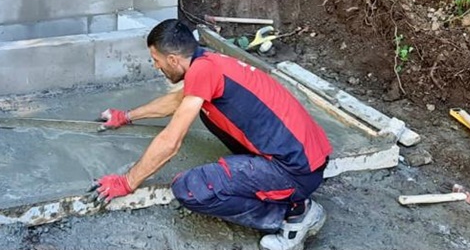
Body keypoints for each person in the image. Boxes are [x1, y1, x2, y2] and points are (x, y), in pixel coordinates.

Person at [93, 19, 332, 250]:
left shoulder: (203, 71)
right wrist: (126, 115)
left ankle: (295, 216)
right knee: (208, 114)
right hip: (305, 159)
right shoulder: (209, 62)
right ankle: (289, 200)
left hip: (294, 171)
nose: (156, 66)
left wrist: (127, 182)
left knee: (191, 188)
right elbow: (175, 101)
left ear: (173, 59)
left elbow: (171, 141)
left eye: (156, 60)